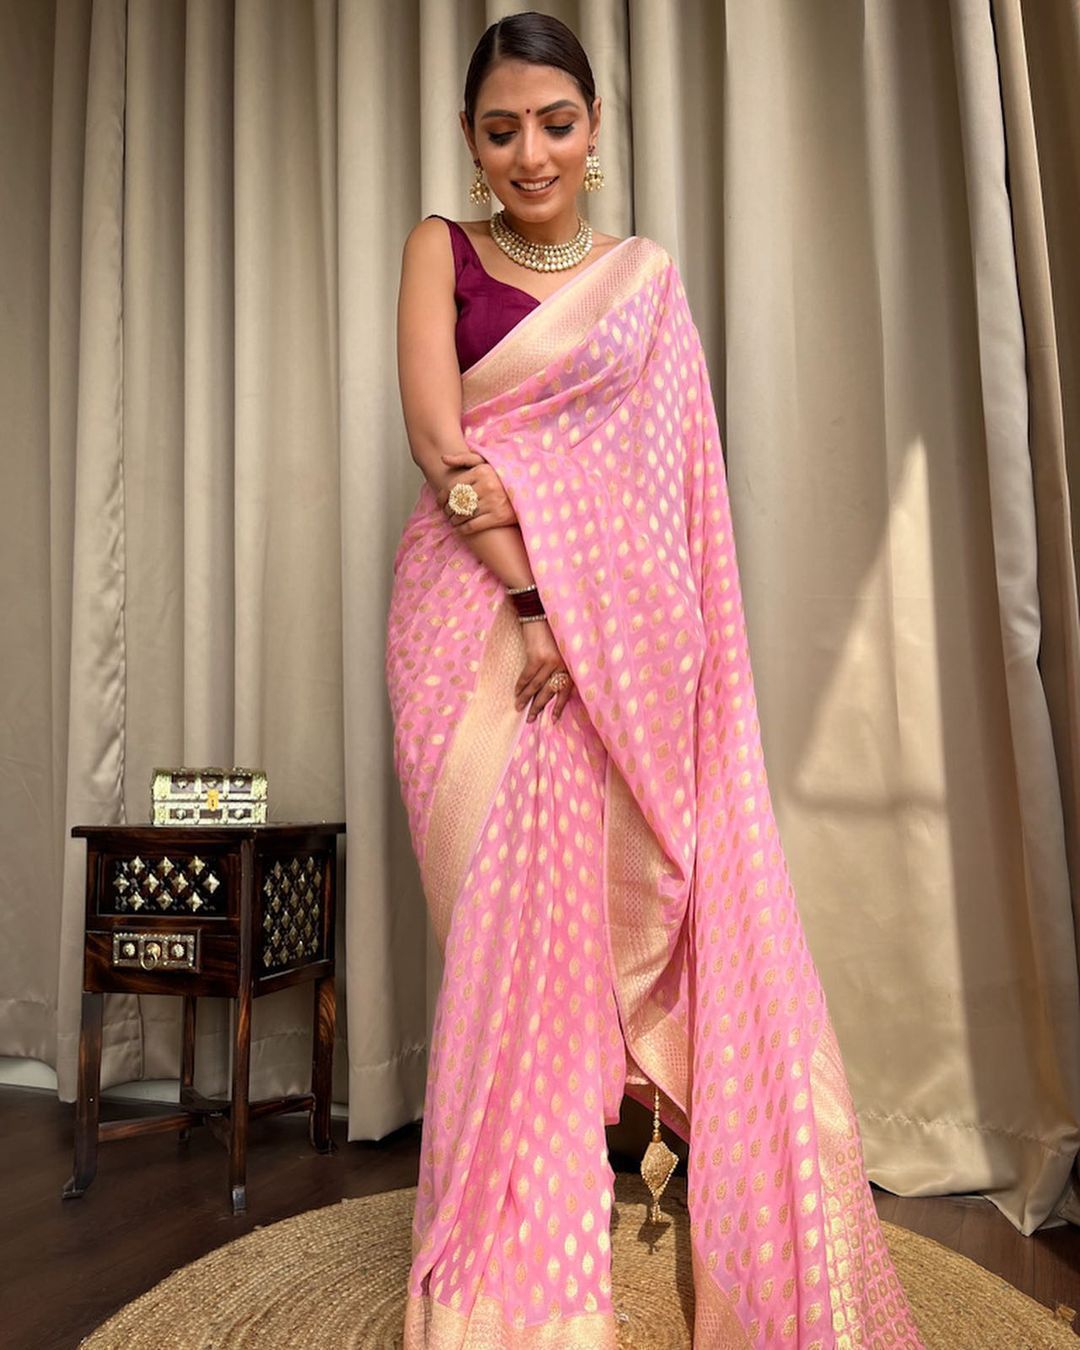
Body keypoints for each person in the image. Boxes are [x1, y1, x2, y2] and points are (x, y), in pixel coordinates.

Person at [387, 11, 926, 1348]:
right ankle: (503, 1251)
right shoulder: (440, 250)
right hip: (476, 621)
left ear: (595, 132)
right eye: (501, 129)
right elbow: (441, 444)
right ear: (470, 140)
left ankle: (611, 1182)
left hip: (616, 643)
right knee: (506, 938)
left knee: (591, 918)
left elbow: (673, 492)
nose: (530, 153)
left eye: (554, 123)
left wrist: (595, 619)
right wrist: (536, 599)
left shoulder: (643, 282)